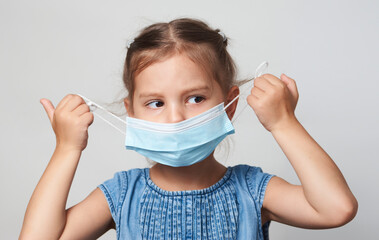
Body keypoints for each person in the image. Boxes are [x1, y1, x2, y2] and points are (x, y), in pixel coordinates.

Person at [19, 18, 358, 240]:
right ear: (131, 112)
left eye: (195, 98)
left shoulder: (252, 190)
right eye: (156, 103)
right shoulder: (122, 195)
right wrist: (66, 149)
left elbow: (336, 209)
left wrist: (284, 123)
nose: (175, 118)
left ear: (230, 103)